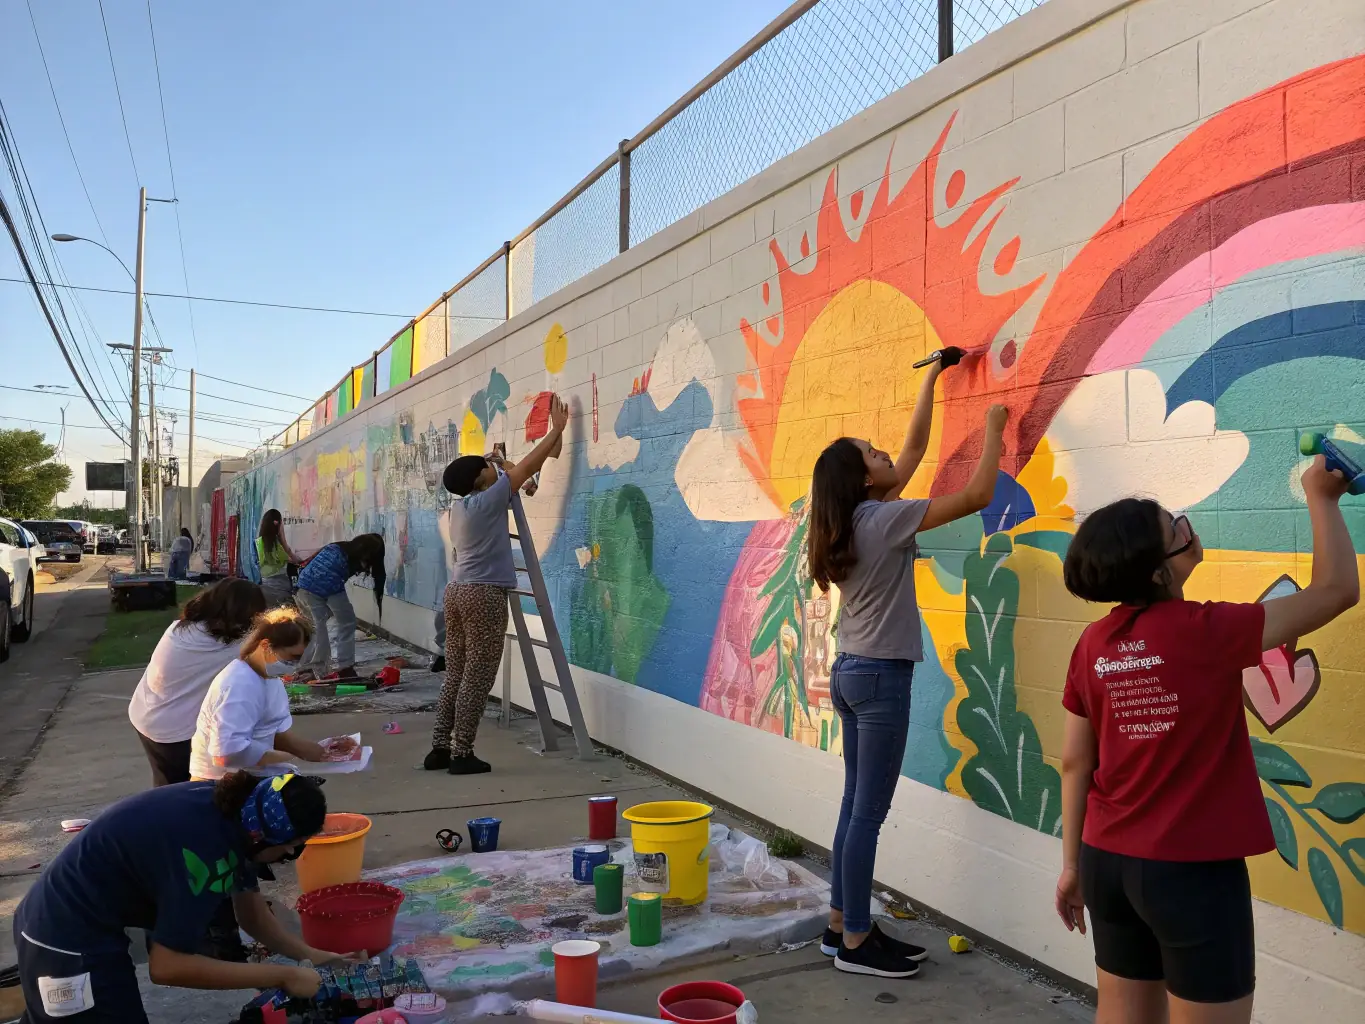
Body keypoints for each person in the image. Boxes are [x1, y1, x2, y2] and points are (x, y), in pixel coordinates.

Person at [1054, 457, 1359, 1024]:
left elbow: (1075, 762)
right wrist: (1322, 498)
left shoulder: (1092, 644)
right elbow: (1337, 590)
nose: (1189, 527)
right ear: (1157, 571)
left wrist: (1071, 865)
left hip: (1105, 863)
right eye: (1177, 528)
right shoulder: (1208, 631)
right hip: (1189, 873)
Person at [806, 351, 1009, 980]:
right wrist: (997, 427)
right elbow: (976, 493)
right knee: (867, 813)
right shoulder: (886, 520)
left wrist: (931, 377)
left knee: (851, 808)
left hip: (851, 674)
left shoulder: (853, 520)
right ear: (861, 479)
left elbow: (914, 448)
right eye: (871, 451)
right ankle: (860, 945)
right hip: (880, 679)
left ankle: (841, 925)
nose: (884, 451)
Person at [12, 772, 354, 1023]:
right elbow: (168, 966)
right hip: (63, 942)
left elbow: (252, 917)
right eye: (293, 848)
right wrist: (283, 976)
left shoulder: (239, 812)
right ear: (263, 837)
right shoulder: (206, 854)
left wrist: (311, 955)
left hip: (72, 923)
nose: (294, 854)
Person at [424, 395, 568, 775]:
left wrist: (499, 461)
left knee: (455, 673)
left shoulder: (461, 508)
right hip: (483, 595)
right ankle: (462, 753)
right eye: (486, 468)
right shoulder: (489, 502)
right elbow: (527, 471)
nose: (492, 468)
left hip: (456, 592)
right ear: (478, 480)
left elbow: (517, 477)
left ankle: (440, 747)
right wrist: (556, 430)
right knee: (478, 675)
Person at [189, 606, 356, 781]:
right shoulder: (239, 685)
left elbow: (273, 732)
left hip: (243, 777)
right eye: (291, 657)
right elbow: (228, 754)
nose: (295, 666)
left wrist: (319, 750)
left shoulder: (269, 679)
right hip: (218, 783)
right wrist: (286, 758)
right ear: (265, 646)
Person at [129, 579, 268, 787]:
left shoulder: (181, 628)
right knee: (190, 792)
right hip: (176, 730)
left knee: (168, 787)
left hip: (146, 714)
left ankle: (163, 814)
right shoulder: (233, 647)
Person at [291, 533, 386, 681]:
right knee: (343, 623)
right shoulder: (344, 561)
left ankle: (310, 668)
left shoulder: (337, 547)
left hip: (302, 588)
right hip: (314, 591)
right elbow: (333, 589)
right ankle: (339, 667)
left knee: (320, 629)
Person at [256, 509, 300, 608]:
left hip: (264, 586)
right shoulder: (276, 544)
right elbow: (294, 560)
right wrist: (282, 538)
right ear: (278, 524)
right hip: (281, 588)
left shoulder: (259, 542)